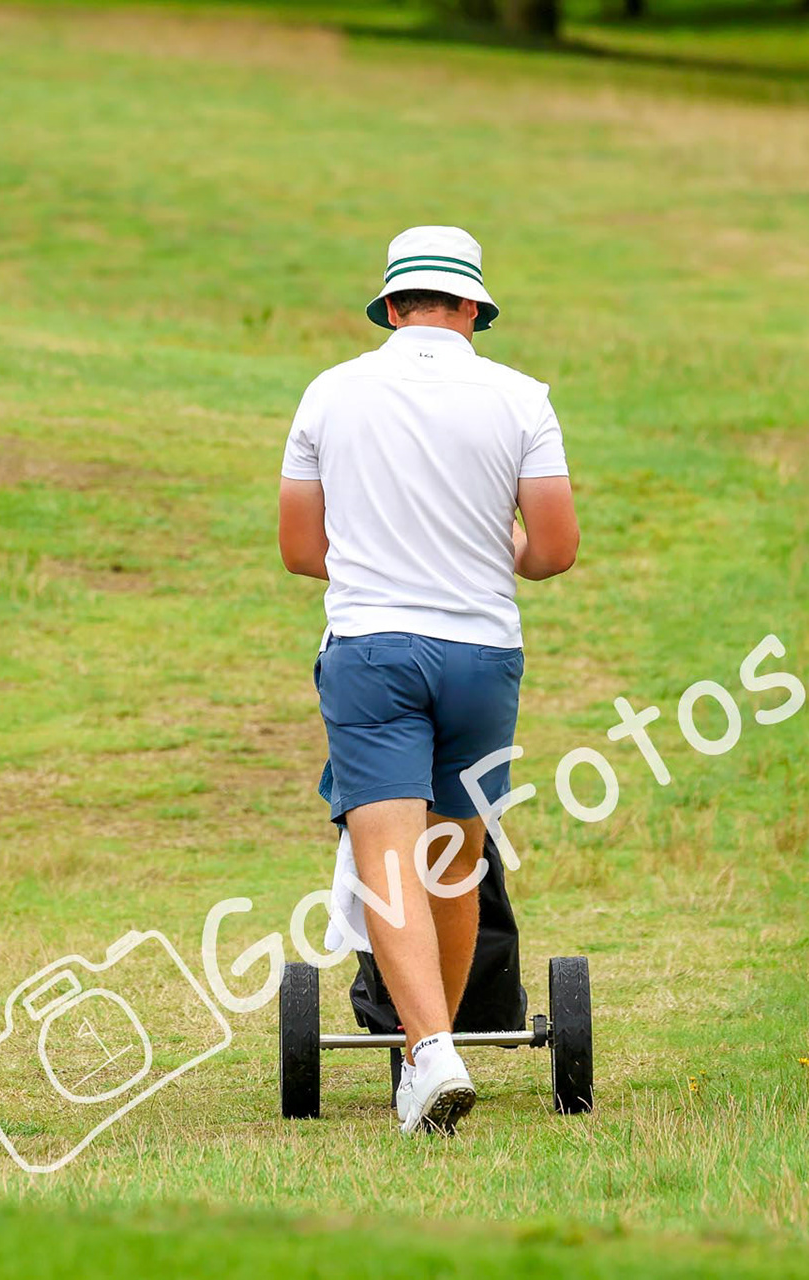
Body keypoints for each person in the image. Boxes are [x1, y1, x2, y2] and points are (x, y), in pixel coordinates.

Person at [277, 226, 577, 1135]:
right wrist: (499, 544)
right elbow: (554, 550)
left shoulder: (331, 392)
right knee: (455, 861)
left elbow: (300, 550)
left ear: (393, 306)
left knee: (388, 864)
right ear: (474, 309)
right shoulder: (524, 399)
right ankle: (425, 1058)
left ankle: (434, 1051)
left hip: (372, 648)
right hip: (484, 654)